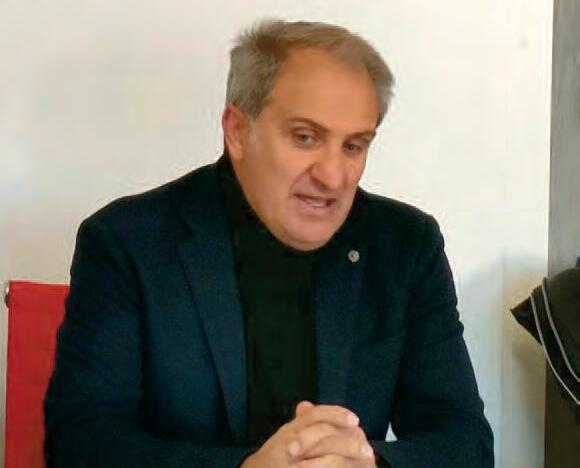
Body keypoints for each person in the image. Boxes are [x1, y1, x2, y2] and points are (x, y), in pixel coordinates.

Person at [44, 19, 494, 468]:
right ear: (238, 131)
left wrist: (369, 464)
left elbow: (465, 441)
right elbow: (80, 443)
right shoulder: (127, 242)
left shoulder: (406, 246)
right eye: (305, 137)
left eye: (354, 146)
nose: (333, 176)